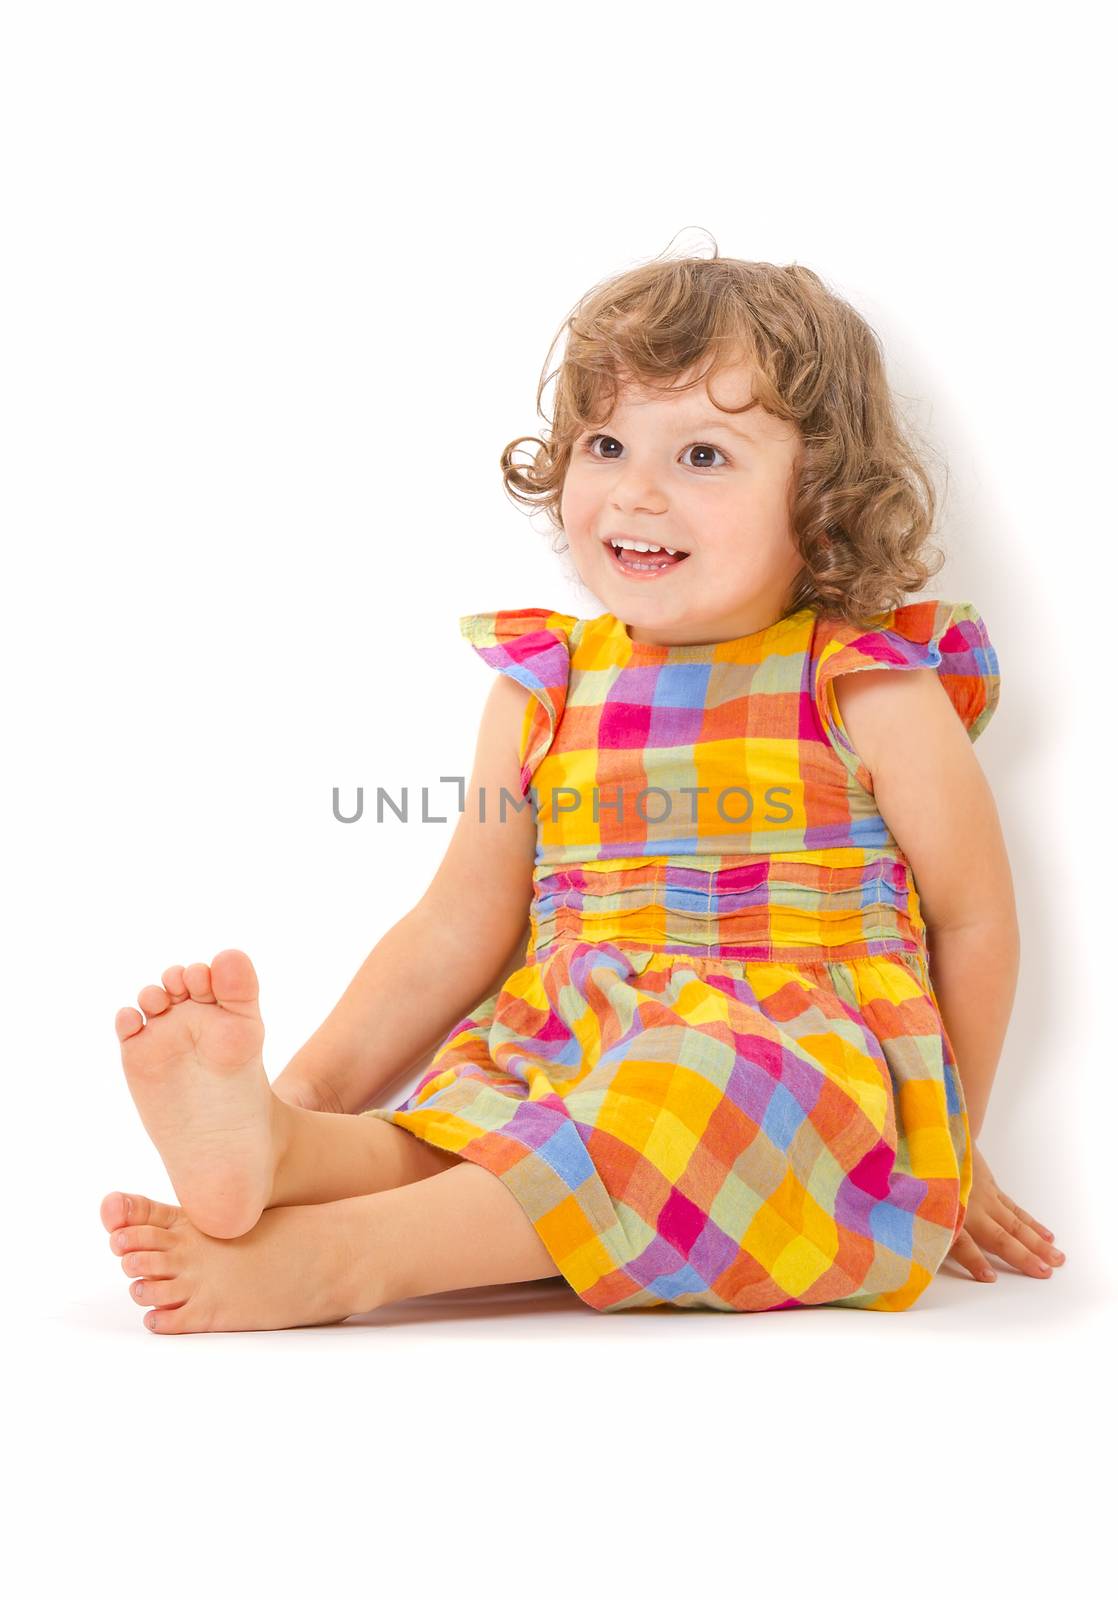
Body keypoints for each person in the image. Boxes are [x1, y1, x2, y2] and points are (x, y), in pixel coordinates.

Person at [101, 253, 1066, 1333]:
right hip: (574, 1049)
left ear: (822, 497)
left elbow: (973, 918)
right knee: (475, 1115)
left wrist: (950, 1139)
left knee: (685, 1087)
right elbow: (454, 926)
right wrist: (306, 1089)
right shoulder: (544, 691)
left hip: (783, 1086)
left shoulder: (865, 684)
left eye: (702, 453)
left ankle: (343, 1257)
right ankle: (284, 1151)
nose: (635, 490)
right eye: (604, 444)